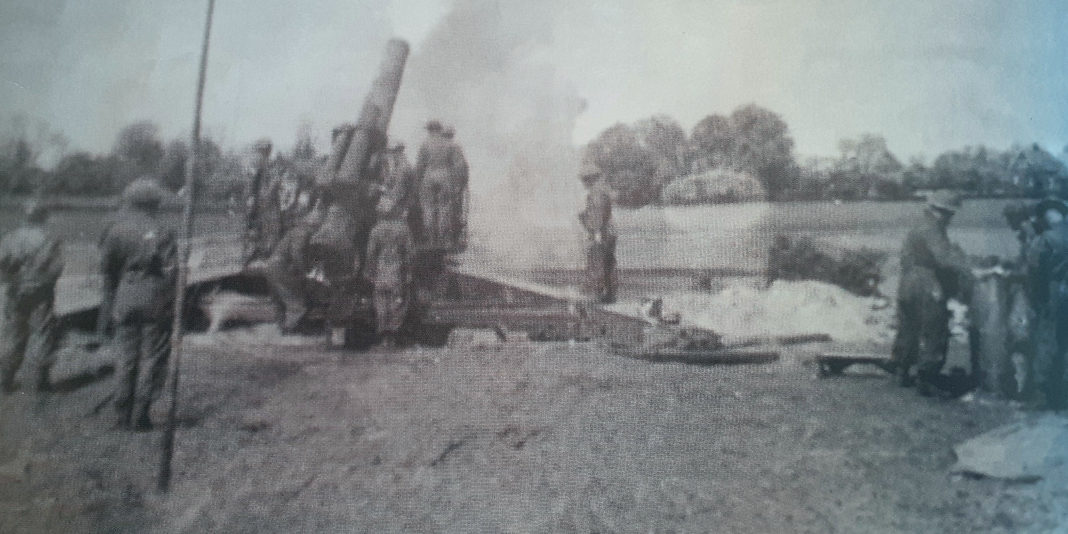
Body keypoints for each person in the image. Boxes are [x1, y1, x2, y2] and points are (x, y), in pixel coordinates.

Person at [100, 178, 177, 430]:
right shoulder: (164, 231)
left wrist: (109, 307)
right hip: (155, 299)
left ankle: (122, 414)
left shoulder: (116, 230)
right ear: (153, 203)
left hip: (125, 296)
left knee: (125, 358)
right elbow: (171, 273)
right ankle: (142, 414)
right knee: (153, 358)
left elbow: (108, 273)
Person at [890, 190, 974, 394]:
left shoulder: (918, 225)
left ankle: (901, 371)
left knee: (908, 327)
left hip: (907, 281)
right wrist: (966, 267)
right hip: (926, 282)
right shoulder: (933, 229)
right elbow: (944, 258)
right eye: (951, 214)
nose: (951, 219)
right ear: (944, 212)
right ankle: (927, 378)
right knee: (935, 328)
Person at [0, 200, 63, 394]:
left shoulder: (10, 238)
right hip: (41, 293)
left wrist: (13, 281)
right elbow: (57, 269)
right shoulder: (49, 239)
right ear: (42, 217)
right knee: (43, 335)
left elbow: (2, 264)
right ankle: (41, 383)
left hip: (16, 291)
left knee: (14, 335)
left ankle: (6, 380)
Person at [1025, 197, 1068, 409]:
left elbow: (1034, 270)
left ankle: (1045, 393)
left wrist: (1034, 298)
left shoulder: (1045, 239)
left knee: (1048, 340)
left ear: (1047, 217)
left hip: (1054, 293)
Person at [364, 194, 414, 346]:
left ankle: (384, 335)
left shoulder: (376, 230)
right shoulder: (403, 229)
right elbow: (411, 253)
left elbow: (370, 254)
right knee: (398, 302)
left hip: (381, 270)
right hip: (397, 270)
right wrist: (409, 271)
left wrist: (369, 272)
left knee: (381, 302)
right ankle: (393, 336)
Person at [414, 120, 462, 250]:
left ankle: (430, 238)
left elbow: (419, 166)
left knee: (428, 208)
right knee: (444, 208)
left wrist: (416, 183)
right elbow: (459, 165)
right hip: (445, 176)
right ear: (440, 129)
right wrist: (457, 184)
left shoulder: (425, 144)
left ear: (430, 130)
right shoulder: (451, 145)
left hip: (428, 176)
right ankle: (442, 240)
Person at [578, 160, 617, 304]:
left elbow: (597, 217)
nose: (583, 182)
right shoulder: (602, 191)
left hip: (602, 233)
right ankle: (608, 295)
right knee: (607, 263)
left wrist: (593, 232)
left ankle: (597, 294)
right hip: (609, 231)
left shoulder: (595, 194)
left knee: (597, 262)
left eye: (584, 179)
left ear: (590, 179)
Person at [442, 126, 469, 252]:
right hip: (452, 186)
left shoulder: (441, 147)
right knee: (452, 212)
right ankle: (449, 241)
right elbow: (463, 168)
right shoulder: (456, 148)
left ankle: (445, 240)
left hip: (445, 185)